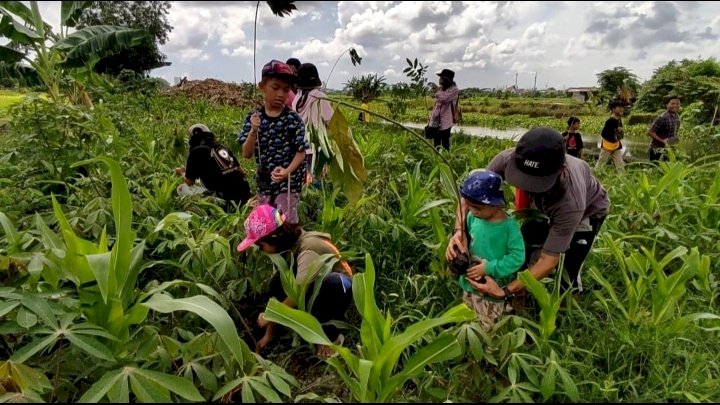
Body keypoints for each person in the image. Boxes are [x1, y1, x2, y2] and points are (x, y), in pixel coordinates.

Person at [447, 128, 610, 300]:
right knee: (527, 248)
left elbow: (549, 260)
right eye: (523, 178)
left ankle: (569, 304)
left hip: (587, 213)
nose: (527, 187)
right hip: (542, 208)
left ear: (560, 171)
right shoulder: (506, 159)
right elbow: (473, 194)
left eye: (535, 182)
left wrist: (504, 292)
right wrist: (459, 231)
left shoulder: (571, 203)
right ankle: (523, 293)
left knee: (567, 270)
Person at [237, 204, 353, 358]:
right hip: (313, 288)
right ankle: (310, 324)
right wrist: (268, 335)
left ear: (274, 237)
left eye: (260, 245)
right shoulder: (285, 250)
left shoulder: (307, 248)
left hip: (340, 286)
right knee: (277, 282)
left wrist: (270, 315)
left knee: (333, 284)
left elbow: (299, 290)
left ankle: (331, 337)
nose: (261, 250)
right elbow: (279, 295)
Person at [451, 170, 525, 331]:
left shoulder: (508, 227)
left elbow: (517, 257)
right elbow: (467, 238)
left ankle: (487, 352)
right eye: (469, 206)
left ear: (495, 204)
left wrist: (489, 268)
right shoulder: (473, 217)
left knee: (489, 327)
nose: (472, 211)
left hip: (491, 289)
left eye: (477, 207)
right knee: (468, 320)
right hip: (469, 284)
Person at [237, 60, 307, 223]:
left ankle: (289, 248)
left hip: (288, 184)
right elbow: (246, 154)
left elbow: (301, 152)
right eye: (275, 88)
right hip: (265, 184)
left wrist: (287, 171)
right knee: (267, 224)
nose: (281, 94)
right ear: (262, 86)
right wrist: (254, 131)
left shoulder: (293, 119)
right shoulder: (253, 118)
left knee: (285, 224)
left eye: (286, 89)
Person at [174, 123, 251, 211]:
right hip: (245, 195)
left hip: (226, 201)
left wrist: (182, 173)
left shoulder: (196, 152)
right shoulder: (221, 146)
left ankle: (208, 210)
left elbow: (189, 182)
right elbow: (242, 172)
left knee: (182, 189)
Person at [292, 63, 334, 186]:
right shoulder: (320, 97)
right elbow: (330, 121)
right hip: (316, 146)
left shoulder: (297, 98)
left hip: (300, 146)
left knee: (305, 179)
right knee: (317, 179)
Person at [428, 68, 459, 151]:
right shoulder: (441, 88)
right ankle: (436, 159)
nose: (439, 79)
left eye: (441, 77)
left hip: (446, 121)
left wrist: (437, 91)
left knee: (445, 144)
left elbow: (444, 98)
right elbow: (437, 105)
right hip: (436, 120)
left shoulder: (454, 90)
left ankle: (445, 160)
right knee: (436, 143)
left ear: (446, 79)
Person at [647, 96, 681, 162]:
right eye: (672, 104)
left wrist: (675, 140)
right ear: (666, 105)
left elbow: (674, 132)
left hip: (669, 149)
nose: (675, 105)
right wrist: (663, 141)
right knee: (655, 169)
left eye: (677, 104)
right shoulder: (662, 117)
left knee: (668, 170)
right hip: (657, 150)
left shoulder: (677, 116)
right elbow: (650, 132)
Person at [595, 100, 625, 171]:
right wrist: (614, 136)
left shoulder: (619, 119)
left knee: (620, 163)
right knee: (601, 163)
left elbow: (620, 133)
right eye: (619, 107)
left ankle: (623, 179)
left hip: (616, 145)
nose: (621, 109)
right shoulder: (610, 121)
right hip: (607, 146)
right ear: (613, 109)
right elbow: (603, 134)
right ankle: (594, 176)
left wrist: (619, 132)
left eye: (622, 107)